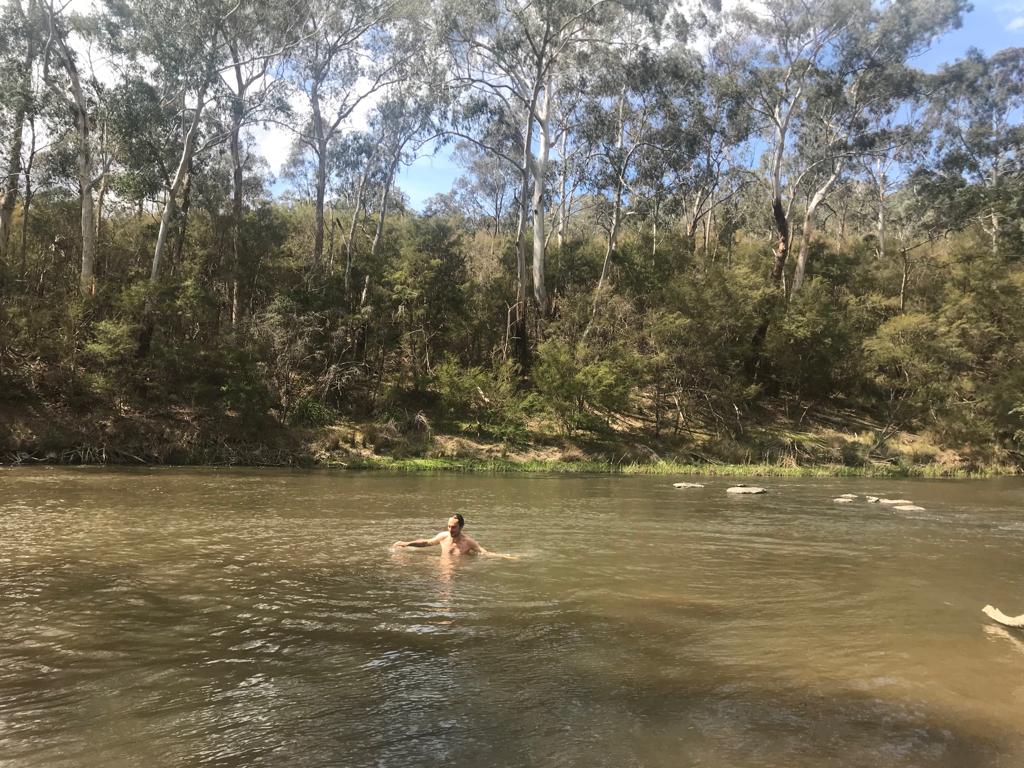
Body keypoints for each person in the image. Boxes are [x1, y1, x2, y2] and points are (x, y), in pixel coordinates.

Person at [393, 514, 490, 556]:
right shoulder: (443, 537)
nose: (450, 530)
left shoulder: (468, 542)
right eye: (449, 526)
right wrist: (406, 543)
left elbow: (484, 553)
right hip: (442, 569)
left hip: (459, 571)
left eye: (453, 527)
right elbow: (426, 542)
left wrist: (503, 556)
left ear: (461, 527)